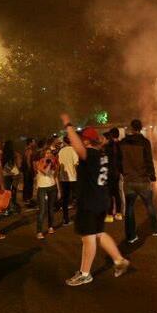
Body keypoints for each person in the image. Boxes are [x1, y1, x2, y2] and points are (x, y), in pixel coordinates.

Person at [60, 113, 130, 286]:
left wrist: (68, 125)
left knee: (88, 237)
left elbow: (79, 148)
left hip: (90, 202)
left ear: (86, 141)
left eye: (82, 138)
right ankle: (119, 260)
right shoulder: (103, 155)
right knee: (98, 233)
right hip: (101, 201)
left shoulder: (90, 154)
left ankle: (85, 273)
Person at [119, 119, 157, 244]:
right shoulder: (144, 142)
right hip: (142, 179)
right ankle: (156, 228)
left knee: (129, 209)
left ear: (131, 128)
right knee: (149, 205)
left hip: (128, 181)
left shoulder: (122, 143)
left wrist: (123, 173)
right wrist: (152, 176)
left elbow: (119, 160)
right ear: (140, 128)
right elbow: (149, 160)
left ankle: (131, 236)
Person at [34, 143, 60, 239]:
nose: (48, 154)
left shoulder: (54, 163)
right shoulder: (39, 162)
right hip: (42, 188)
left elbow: (55, 176)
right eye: (47, 153)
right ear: (43, 154)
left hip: (52, 187)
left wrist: (59, 190)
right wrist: (48, 163)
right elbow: (45, 172)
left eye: (50, 153)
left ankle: (50, 227)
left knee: (51, 209)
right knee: (42, 210)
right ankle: (39, 231)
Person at [58, 136, 79, 226]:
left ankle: (65, 219)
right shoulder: (73, 150)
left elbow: (59, 164)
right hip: (73, 177)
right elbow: (76, 164)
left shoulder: (61, 151)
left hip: (63, 178)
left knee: (65, 199)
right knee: (77, 198)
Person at [104, 127, 123, 222]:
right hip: (117, 173)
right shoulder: (121, 145)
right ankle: (119, 213)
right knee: (117, 194)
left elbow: (104, 162)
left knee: (109, 194)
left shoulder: (107, 147)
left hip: (109, 173)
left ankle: (110, 214)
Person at [2, 140, 22, 215]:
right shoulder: (15, 154)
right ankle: (13, 207)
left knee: (6, 192)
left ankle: (6, 209)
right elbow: (19, 165)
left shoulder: (2, 154)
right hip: (14, 175)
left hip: (5, 175)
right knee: (13, 192)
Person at [22, 138, 37, 207]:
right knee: (29, 184)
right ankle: (27, 198)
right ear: (30, 143)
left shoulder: (25, 149)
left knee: (26, 184)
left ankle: (26, 198)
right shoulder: (29, 150)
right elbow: (28, 160)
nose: (34, 143)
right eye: (33, 141)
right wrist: (31, 169)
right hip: (28, 170)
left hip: (26, 170)